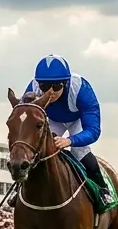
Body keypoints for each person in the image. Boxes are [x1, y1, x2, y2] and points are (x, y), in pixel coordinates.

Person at [24, 55, 110, 204]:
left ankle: (102, 189)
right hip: (50, 119)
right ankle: (20, 187)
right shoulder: (33, 88)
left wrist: (70, 140)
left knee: (80, 151)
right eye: (44, 86)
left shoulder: (82, 90)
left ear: (66, 82)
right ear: (39, 84)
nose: (50, 92)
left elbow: (93, 130)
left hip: (76, 121)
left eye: (56, 86)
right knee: (35, 150)